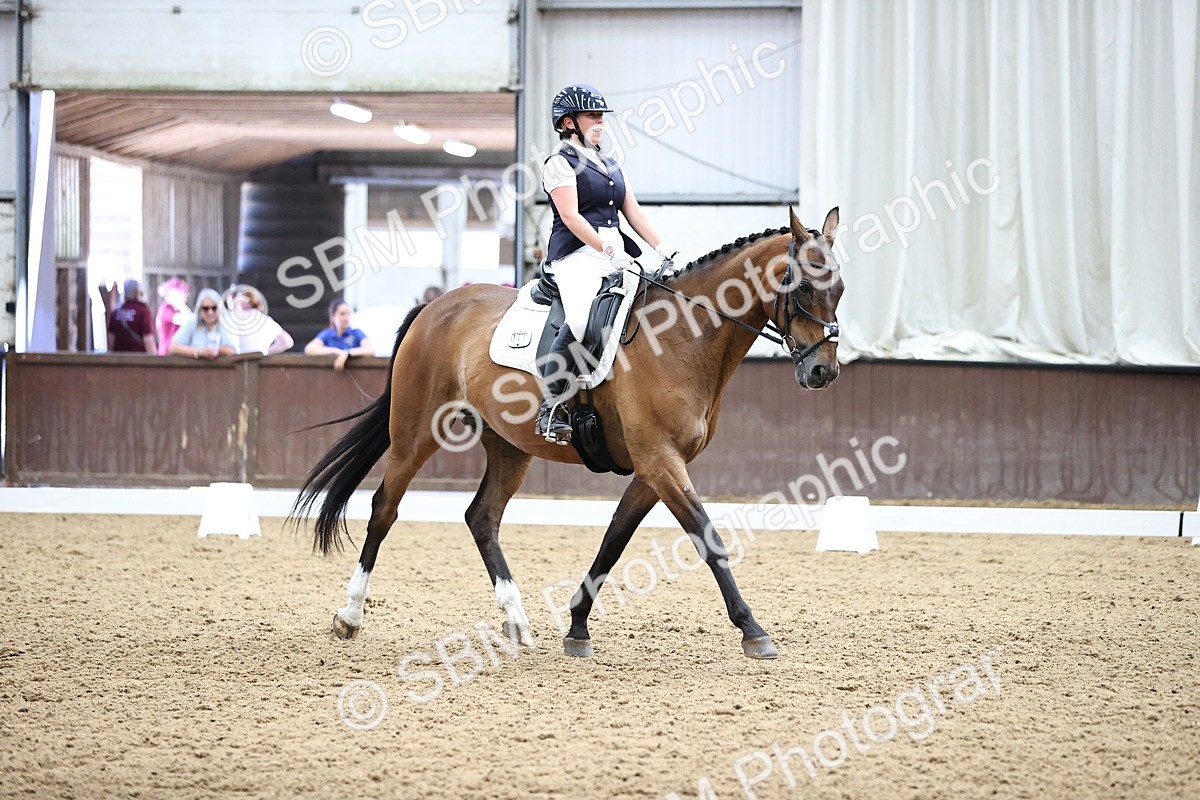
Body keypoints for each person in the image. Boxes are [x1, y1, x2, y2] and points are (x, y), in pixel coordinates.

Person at [535, 84, 679, 443]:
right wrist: (606, 248)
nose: (600, 123)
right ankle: (551, 406)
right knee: (582, 319)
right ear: (569, 122)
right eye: (591, 116)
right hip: (577, 255)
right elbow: (570, 217)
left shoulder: (611, 164)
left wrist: (665, 249)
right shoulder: (559, 164)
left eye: (601, 117)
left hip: (615, 252)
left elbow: (634, 213)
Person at [304, 299, 374, 371]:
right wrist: (335, 351)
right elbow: (309, 349)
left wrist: (347, 353)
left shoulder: (356, 333)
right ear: (333, 317)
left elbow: (370, 350)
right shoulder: (327, 334)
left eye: (348, 314)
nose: (346, 318)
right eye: (342, 314)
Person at [168, 288, 236, 359]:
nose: (210, 312)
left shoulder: (225, 323)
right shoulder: (192, 322)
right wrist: (198, 352)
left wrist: (213, 351)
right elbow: (173, 348)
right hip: (194, 367)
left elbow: (231, 350)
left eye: (214, 308)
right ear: (200, 310)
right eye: (206, 308)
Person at [227, 285, 293, 355]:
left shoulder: (231, 318)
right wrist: (265, 352)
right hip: (260, 362)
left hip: (234, 363)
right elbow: (287, 342)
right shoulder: (267, 320)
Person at [107, 279, 156, 353]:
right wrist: (154, 358)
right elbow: (147, 338)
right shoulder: (143, 311)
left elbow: (110, 340)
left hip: (119, 359)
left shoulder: (116, 312)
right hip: (139, 359)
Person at [155, 277, 192, 355]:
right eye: (183, 292)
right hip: (167, 356)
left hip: (175, 354)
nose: (186, 295)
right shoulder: (166, 310)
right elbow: (190, 322)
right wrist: (180, 304)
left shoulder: (174, 310)